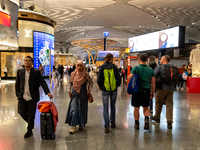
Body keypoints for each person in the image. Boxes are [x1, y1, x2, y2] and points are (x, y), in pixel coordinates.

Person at [15, 56, 53, 138]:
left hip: (33, 97)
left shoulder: (36, 72)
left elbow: (42, 82)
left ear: (32, 63)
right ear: (24, 62)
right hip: (22, 96)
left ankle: (29, 130)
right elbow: (17, 84)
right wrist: (18, 94)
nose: (27, 62)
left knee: (31, 114)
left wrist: (48, 92)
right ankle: (30, 123)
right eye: (25, 61)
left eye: (29, 61)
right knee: (21, 112)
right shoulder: (20, 72)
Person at [128, 53, 155, 130]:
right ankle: (146, 119)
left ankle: (136, 123)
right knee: (146, 107)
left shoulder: (136, 68)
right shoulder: (150, 70)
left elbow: (130, 77)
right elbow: (153, 82)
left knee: (136, 108)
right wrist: (152, 92)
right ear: (147, 60)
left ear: (139, 59)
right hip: (146, 91)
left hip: (137, 91)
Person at [65, 61, 93, 134]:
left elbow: (91, 82)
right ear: (76, 66)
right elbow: (70, 83)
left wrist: (89, 91)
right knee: (74, 109)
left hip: (83, 94)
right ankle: (73, 126)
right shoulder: (73, 74)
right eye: (78, 65)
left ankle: (81, 124)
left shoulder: (86, 74)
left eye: (81, 65)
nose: (79, 67)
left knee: (82, 109)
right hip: (74, 94)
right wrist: (69, 90)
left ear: (83, 66)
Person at [97, 53, 121, 133]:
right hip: (113, 89)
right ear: (111, 59)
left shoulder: (102, 67)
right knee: (113, 106)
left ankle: (107, 126)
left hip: (105, 90)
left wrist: (102, 88)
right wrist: (116, 85)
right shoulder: (114, 67)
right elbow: (119, 78)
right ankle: (113, 122)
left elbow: (99, 80)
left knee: (105, 107)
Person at [151, 55, 174, 129]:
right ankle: (169, 122)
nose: (160, 60)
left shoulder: (160, 67)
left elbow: (153, 75)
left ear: (164, 59)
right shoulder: (172, 67)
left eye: (161, 59)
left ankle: (157, 117)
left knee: (158, 102)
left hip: (162, 88)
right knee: (169, 104)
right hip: (171, 88)